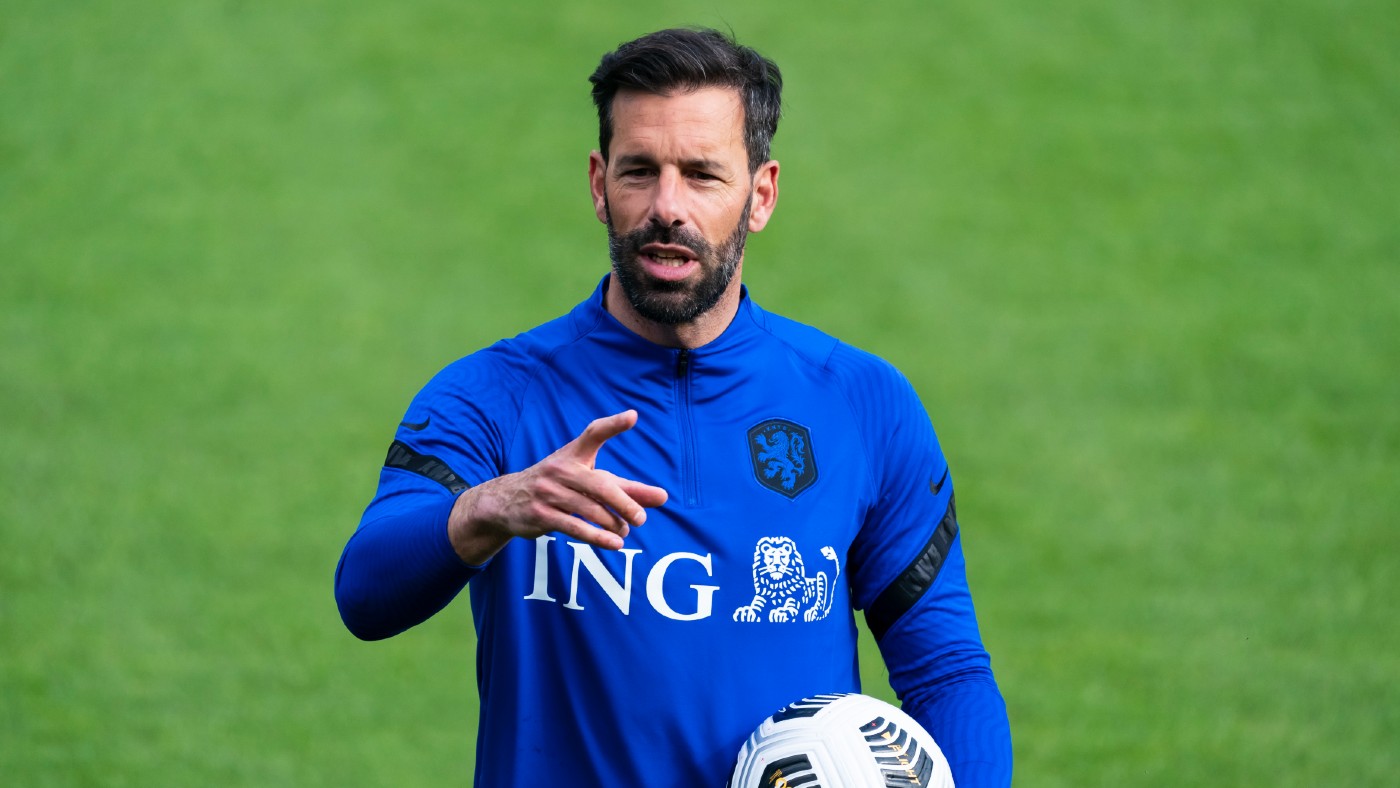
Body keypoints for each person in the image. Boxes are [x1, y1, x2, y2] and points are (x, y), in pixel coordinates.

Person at [335, 27, 1012, 787]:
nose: (667, 207)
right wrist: (489, 509)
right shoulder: (493, 397)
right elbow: (365, 594)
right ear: (599, 185)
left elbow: (946, 671)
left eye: (701, 175)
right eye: (639, 171)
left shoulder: (862, 404)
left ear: (761, 195)